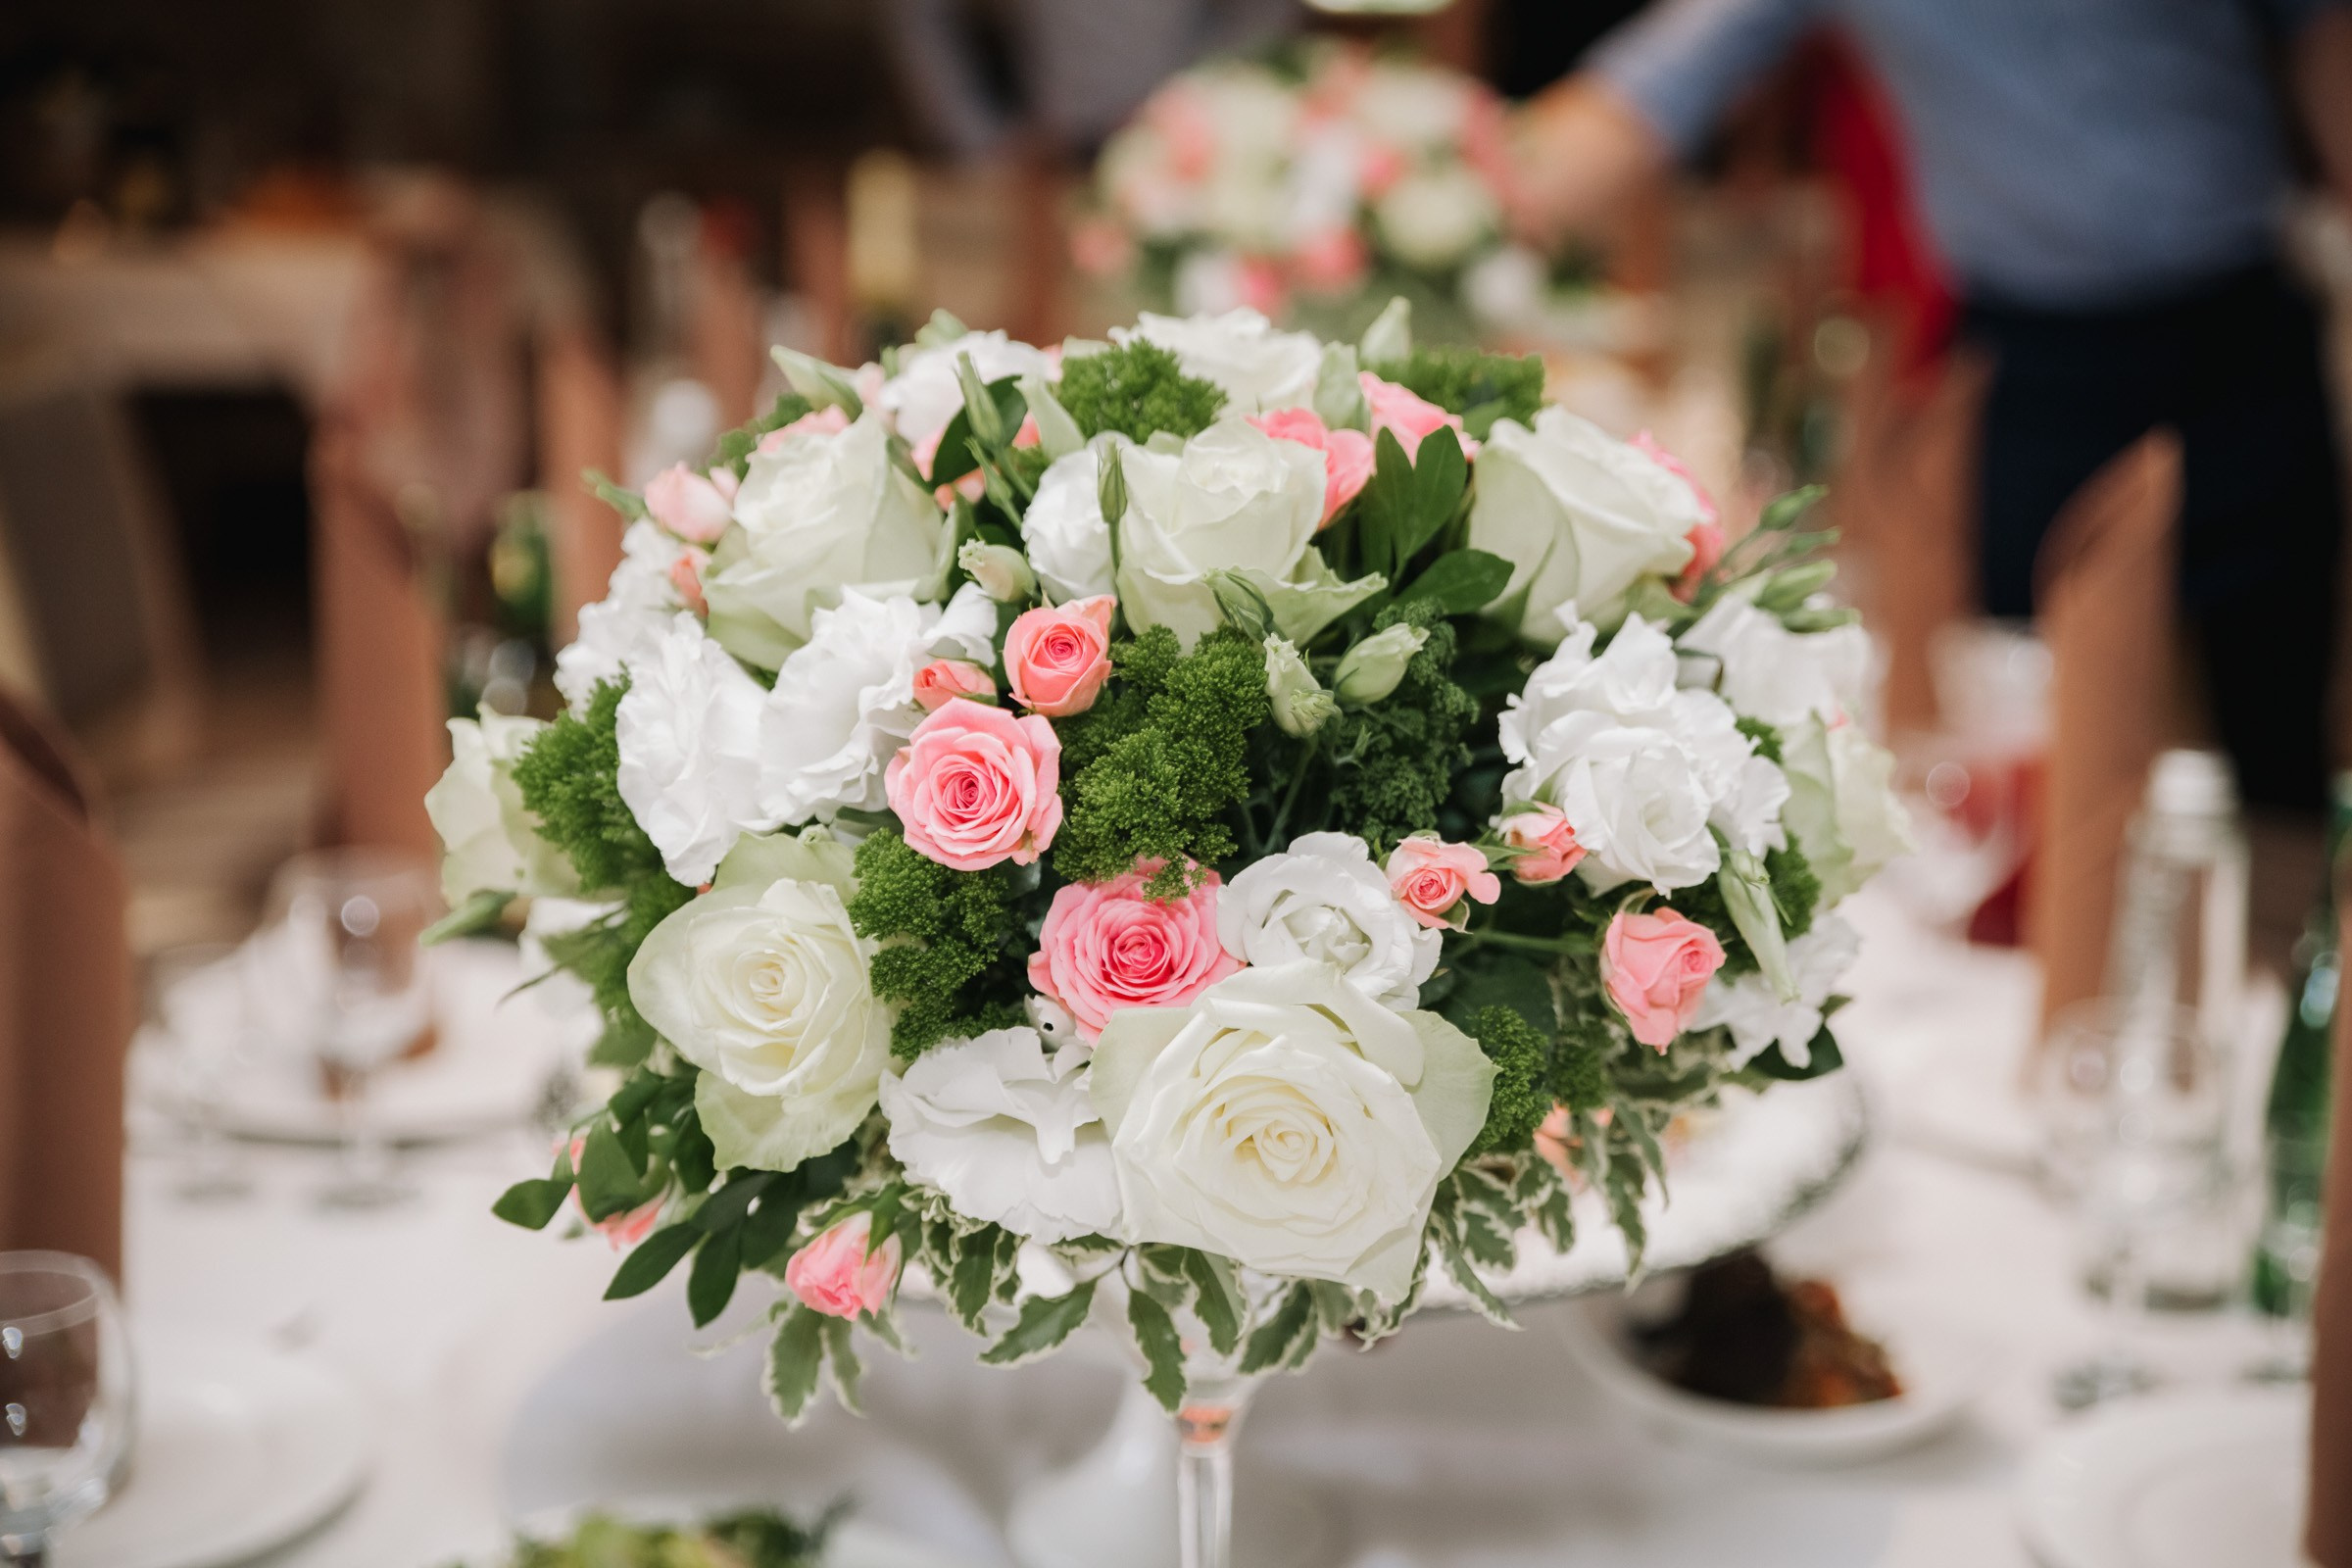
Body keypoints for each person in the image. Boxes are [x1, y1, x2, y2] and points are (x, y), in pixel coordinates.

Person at [1513, 0, 2352, 815]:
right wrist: (1425, 200)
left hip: (2246, 336)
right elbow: (1648, 92)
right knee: (2041, 759)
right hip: (2035, 367)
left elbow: (2327, 64)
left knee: (2275, 739)